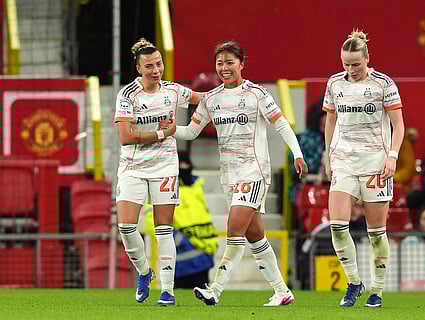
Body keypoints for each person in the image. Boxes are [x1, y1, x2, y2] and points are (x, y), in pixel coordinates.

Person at [164, 40, 308, 306]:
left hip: (254, 172)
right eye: (220, 63)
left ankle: (214, 290)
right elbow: (192, 132)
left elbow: (282, 125)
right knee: (256, 236)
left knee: (234, 230)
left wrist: (297, 153)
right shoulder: (211, 99)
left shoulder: (257, 94)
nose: (224, 68)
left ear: (242, 64)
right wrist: (170, 129)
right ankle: (282, 291)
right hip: (230, 175)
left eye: (230, 62)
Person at [114, 38, 203, 306]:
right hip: (133, 167)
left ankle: (168, 291)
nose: (156, 70)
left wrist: (235, 91)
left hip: (165, 166)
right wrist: (163, 132)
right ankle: (144, 271)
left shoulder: (174, 91)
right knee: (127, 226)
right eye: (149, 66)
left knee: (164, 230)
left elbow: (206, 100)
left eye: (159, 64)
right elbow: (126, 137)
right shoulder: (127, 95)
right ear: (139, 68)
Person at [323, 30, 405, 308]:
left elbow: (399, 124)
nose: (350, 70)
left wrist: (392, 156)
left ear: (367, 59)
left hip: (375, 165)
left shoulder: (384, 84)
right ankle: (354, 282)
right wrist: (328, 155)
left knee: (376, 233)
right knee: (337, 226)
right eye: (345, 64)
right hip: (344, 161)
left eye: (356, 64)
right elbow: (330, 121)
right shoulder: (334, 84)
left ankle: (377, 291)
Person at [143, 151, 218, 289]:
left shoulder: (196, 186)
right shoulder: (161, 187)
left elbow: (203, 213)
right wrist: (177, 240)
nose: (184, 167)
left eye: (186, 164)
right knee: (179, 296)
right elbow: (151, 220)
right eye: (180, 164)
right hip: (181, 255)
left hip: (204, 253)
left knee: (202, 298)